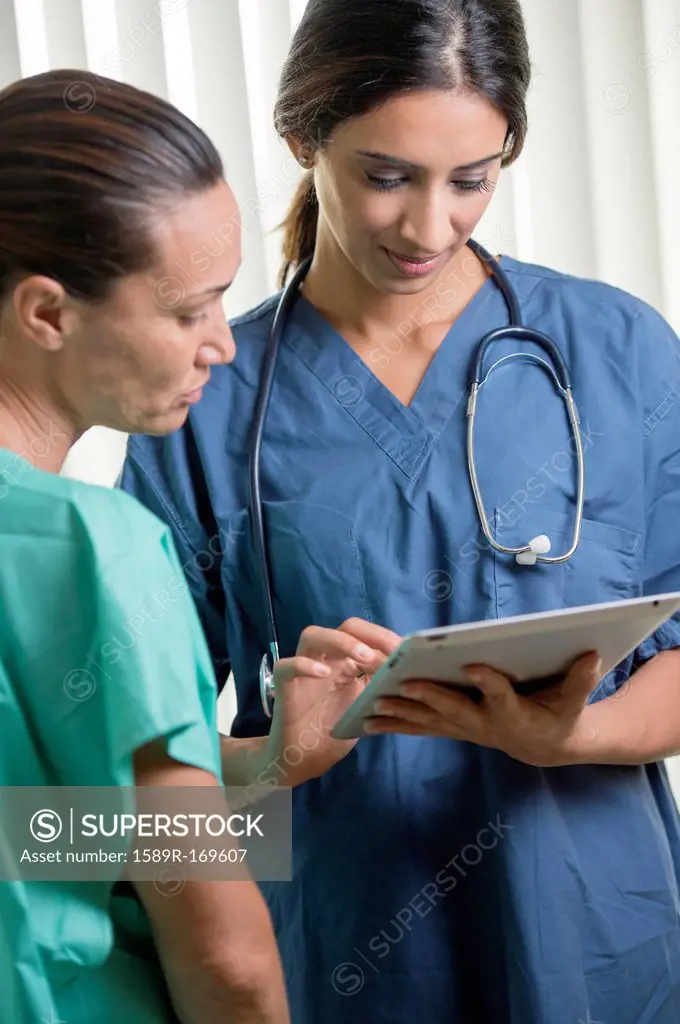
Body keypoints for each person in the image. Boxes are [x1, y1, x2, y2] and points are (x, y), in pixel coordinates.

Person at [121, 0, 680, 1021]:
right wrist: (270, 761)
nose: (429, 225)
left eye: (471, 178)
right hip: (346, 950)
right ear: (302, 137)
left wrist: (570, 736)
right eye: (385, 176)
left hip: (593, 939)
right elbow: (129, 783)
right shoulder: (205, 403)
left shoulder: (618, 352)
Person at [0, 68, 396, 1024]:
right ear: (48, 313)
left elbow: (37, 841)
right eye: (189, 310)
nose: (223, 343)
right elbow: (224, 959)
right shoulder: (100, 547)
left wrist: (260, 769)